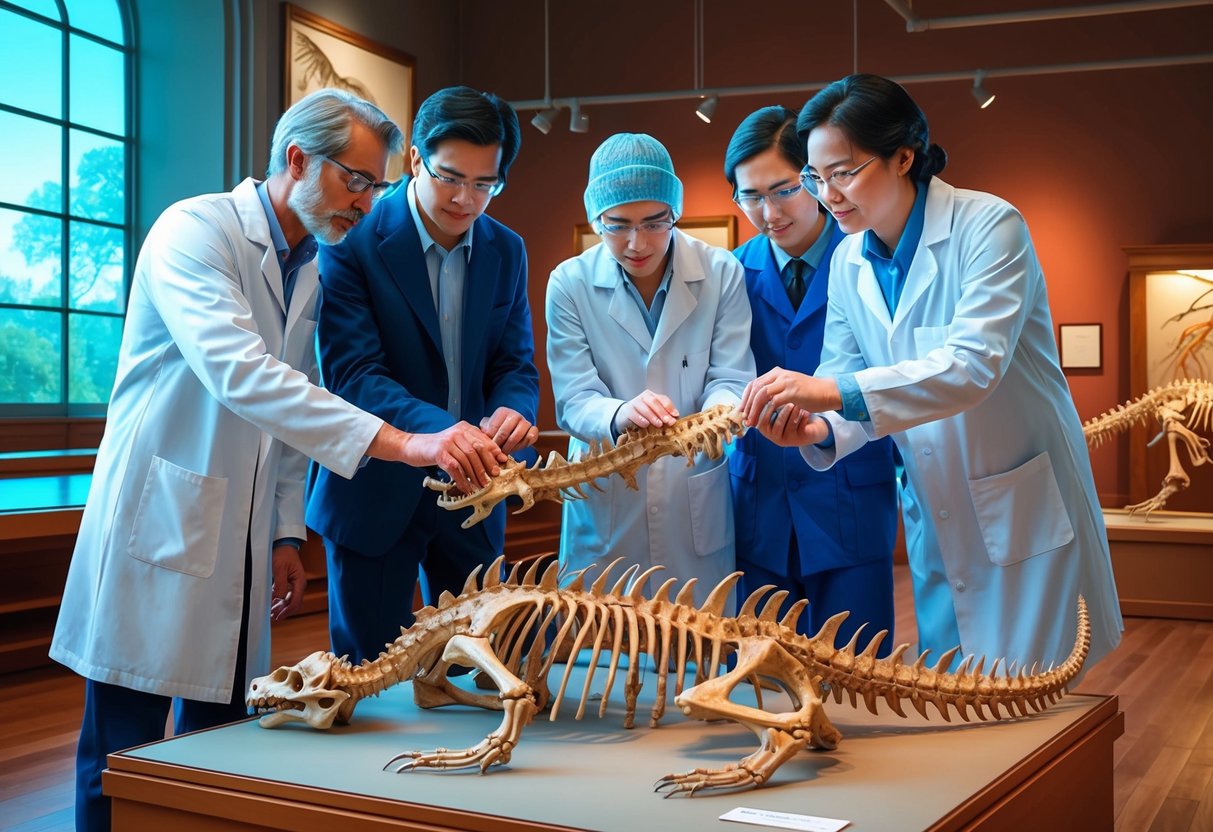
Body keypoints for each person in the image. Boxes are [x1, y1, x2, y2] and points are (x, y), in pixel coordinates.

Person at [49, 89, 507, 832]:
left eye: (375, 184)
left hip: (238, 537)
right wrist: (409, 443)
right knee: (122, 758)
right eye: (356, 179)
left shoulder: (311, 266)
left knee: (222, 752)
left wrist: (286, 534)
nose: (365, 201)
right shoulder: (193, 230)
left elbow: (291, 419)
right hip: (158, 524)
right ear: (297, 160)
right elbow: (246, 377)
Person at [740, 74, 1122, 673]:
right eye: (817, 178)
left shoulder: (990, 227)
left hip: (1016, 497)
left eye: (843, 172)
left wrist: (830, 392)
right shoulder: (848, 259)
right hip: (937, 506)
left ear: (902, 156)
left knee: (1044, 699)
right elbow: (848, 375)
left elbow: (972, 367)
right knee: (957, 694)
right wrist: (820, 430)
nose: (829, 194)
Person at [306, 86, 540, 664]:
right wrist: (445, 435)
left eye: (486, 183)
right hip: (375, 490)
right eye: (450, 177)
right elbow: (354, 373)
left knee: (490, 667)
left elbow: (515, 364)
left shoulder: (506, 250)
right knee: (368, 678)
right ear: (415, 159)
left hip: (476, 491)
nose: (466, 199)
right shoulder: (351, 238)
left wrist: (515, 409)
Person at [546, 133, 755, 605]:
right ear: (596, 217)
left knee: (697, 655)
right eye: (617, 225)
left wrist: (705, 425)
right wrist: (621, 414)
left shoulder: (720, 272)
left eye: (654, 223)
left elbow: (731, 379)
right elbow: (575, 396)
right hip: (606, 493)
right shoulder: (569, 283)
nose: (637, 243)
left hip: (692, 486)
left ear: (675, 212)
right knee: (600, 655)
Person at [724, 106, 899, 648]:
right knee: (761, 683)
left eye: (782, 190)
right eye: (749, 195)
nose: (768, 211)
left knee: (858, 680)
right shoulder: (729, 272)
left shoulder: (869, 259)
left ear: (815, 178)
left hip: (850, 495)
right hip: (760, 505)